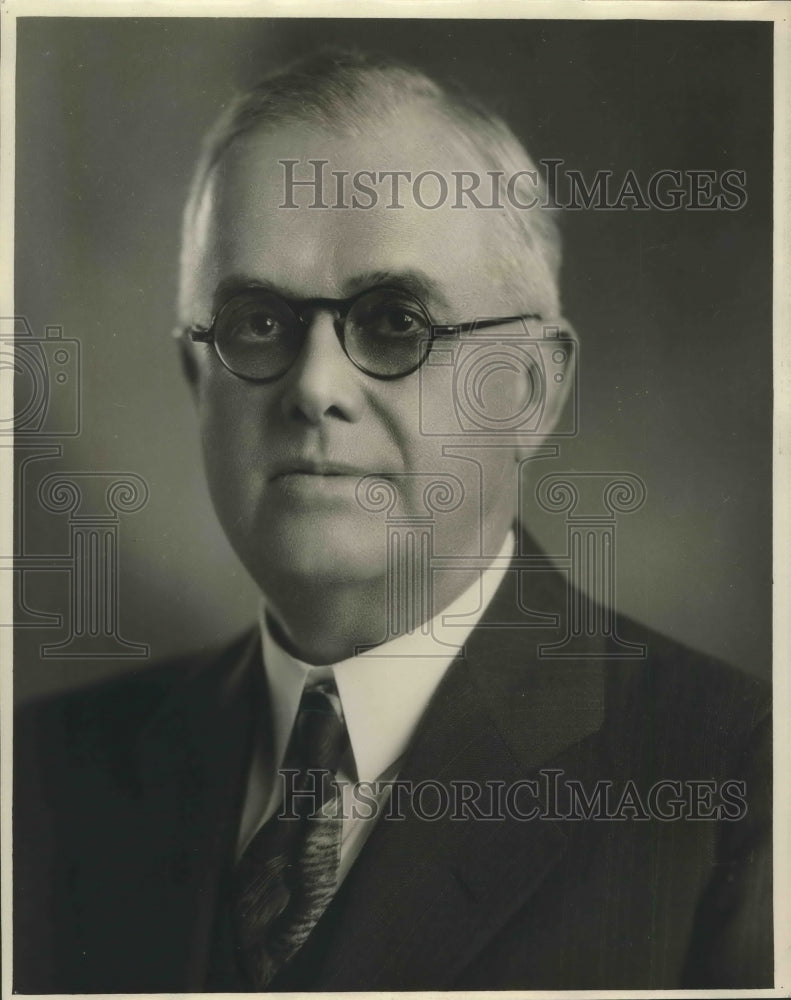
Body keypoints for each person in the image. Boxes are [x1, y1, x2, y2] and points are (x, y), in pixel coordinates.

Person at [14, 49, 772, 992]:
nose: (316, 388)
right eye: (256, 321)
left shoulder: (739, 788)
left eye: (394, 321)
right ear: (195, 378)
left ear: (530, 394)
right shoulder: (38, 778)